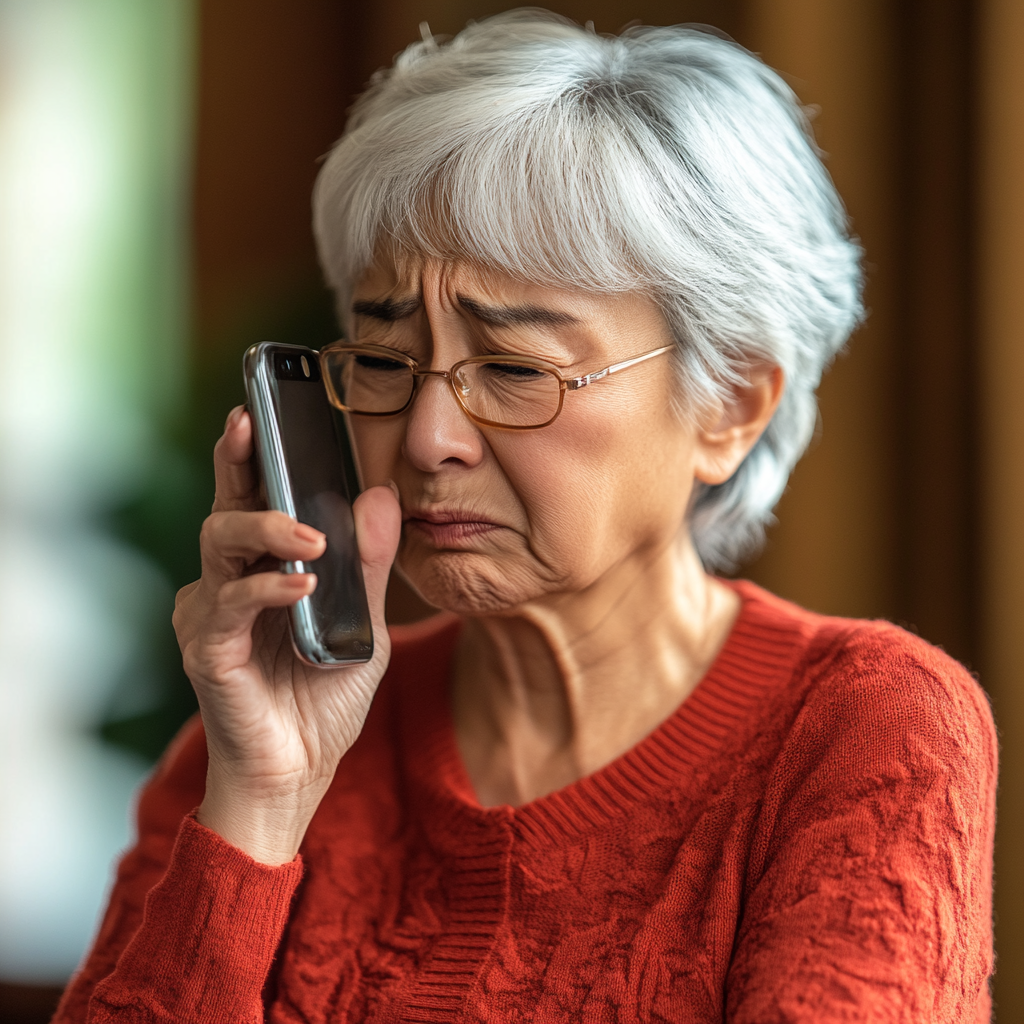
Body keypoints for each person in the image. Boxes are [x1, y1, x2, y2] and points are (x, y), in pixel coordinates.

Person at [55, 11, 996, 1023]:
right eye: (382, 359)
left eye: (512, 369)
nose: (426, 436)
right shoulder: (243, 751)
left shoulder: (864, 727)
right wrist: (262, 802)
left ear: (729, 404)